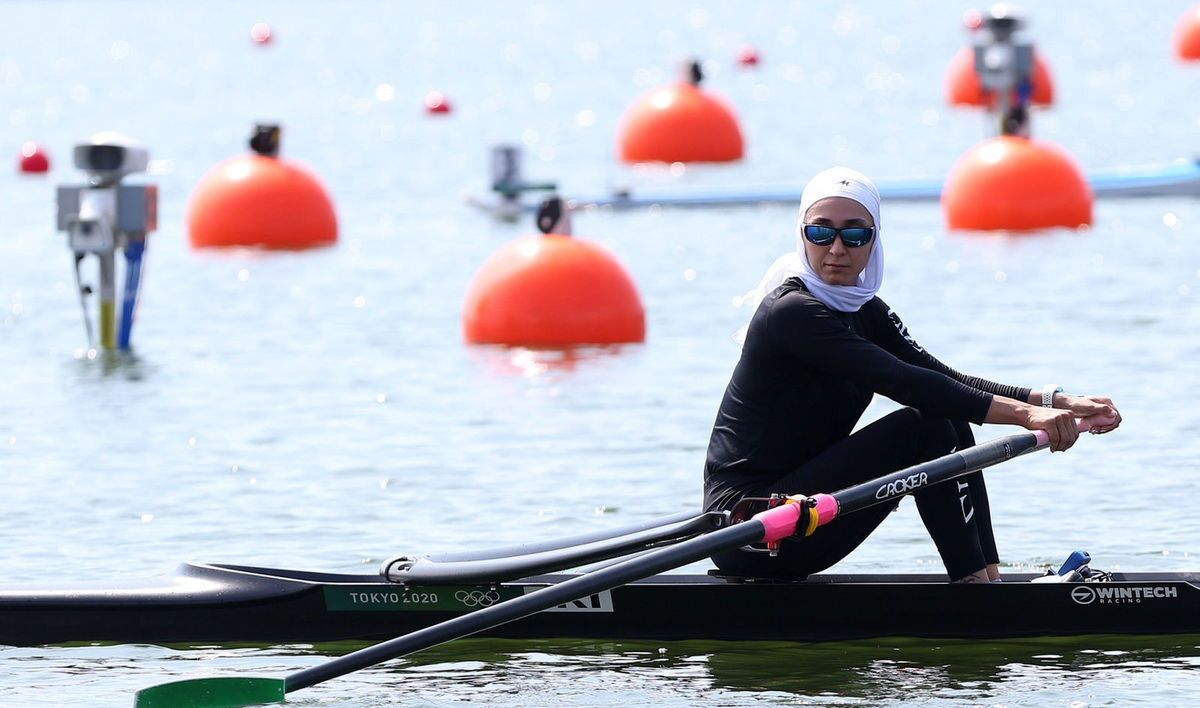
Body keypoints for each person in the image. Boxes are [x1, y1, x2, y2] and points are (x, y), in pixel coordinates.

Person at [702, 166, 1121, 583]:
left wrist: (1054, 401)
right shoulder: (791, 312)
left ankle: (987, 577)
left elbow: (941, 377)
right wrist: (1026, 418)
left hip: (804, 513)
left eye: (854, 234)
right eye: (820, 232)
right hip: (749, 526)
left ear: (873, 240)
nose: (836, 248)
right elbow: (902, 380)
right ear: (801, 235)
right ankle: (976, 589)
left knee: (948, 411)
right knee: (925, 423)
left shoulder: (866, 312)